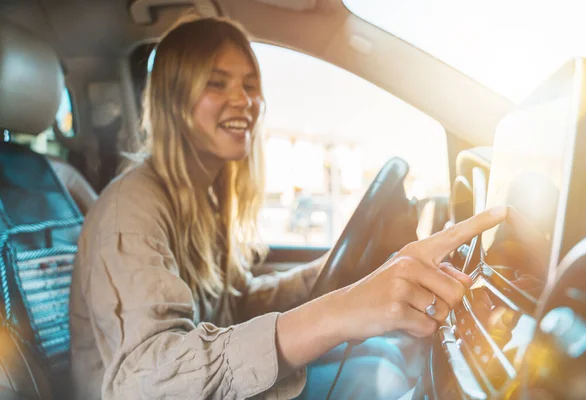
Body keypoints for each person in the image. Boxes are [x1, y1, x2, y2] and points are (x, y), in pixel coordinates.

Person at [69, 16, 507, 400]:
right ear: (172, 99)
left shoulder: (200, 199)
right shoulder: (131, 207)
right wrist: (339, 310)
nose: (243, 100)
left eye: (250, 85)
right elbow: (149, 380)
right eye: (216, 83)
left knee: (391, 350)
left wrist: (348, 270)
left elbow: (236, 307)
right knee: (380, 372)